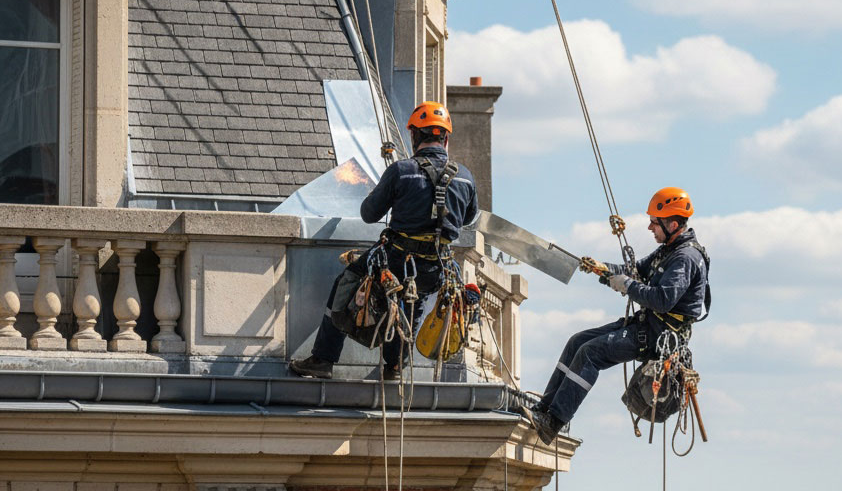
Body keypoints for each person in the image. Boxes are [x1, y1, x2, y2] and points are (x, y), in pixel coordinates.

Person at [290, 101, 479, 380]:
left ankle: (323, 359)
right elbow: (468, 218)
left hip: (396, 259)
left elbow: (369, 214)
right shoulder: (465, 177)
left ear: (414, 137)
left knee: (346, 283)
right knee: (411, 306)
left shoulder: (402, 171)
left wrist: (395, 192)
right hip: (436, 267)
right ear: (445, 138)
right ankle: (393, 368)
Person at [523, 187, 710, 445]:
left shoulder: (685, 257)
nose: (649, 228)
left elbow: (663, 300)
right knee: (577, 341)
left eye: (654, 223)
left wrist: (628, 286)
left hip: (659, 336)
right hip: (648, 326)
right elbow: (633, 271)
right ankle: (544, 410)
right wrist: (603, 270)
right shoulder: (668, 249)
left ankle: (553, 422)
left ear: (673, 224)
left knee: (591, 353)